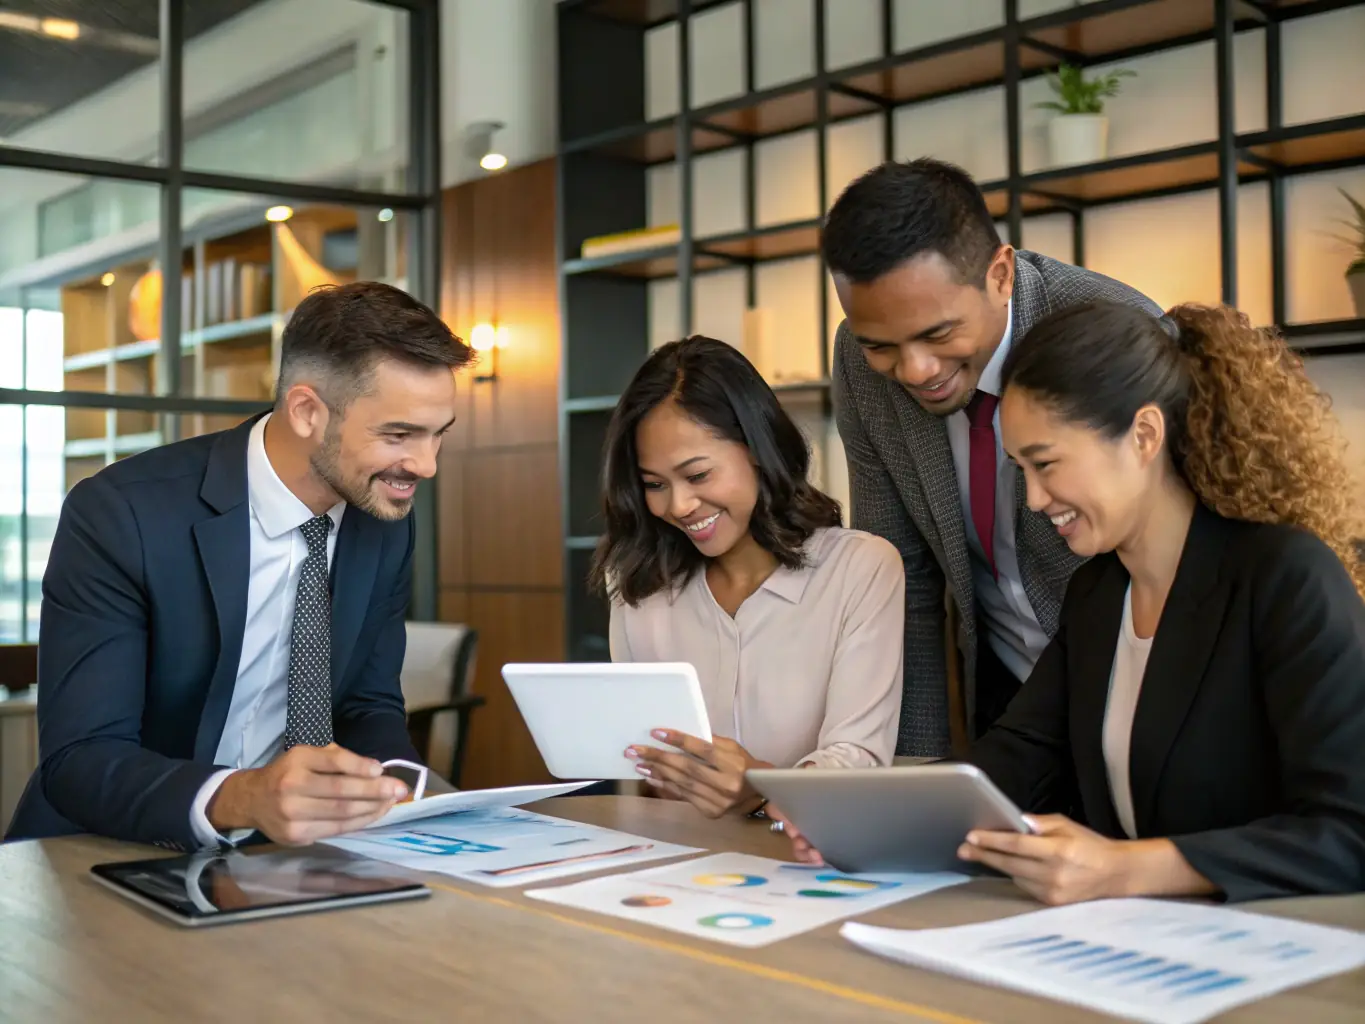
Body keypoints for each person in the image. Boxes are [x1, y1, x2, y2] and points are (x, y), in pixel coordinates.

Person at [782, 300, 1365, 904]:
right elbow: (1020, 756)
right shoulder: (1099, 592)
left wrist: (1125, 869)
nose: (1033, 499)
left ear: (1143, 436)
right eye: (1019, 469)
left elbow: (1350, 832)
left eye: (1047, 464)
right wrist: (867, 818)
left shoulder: (1283, 576)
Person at [5, 281, 473, 851]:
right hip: (101, 853)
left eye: (437, 436)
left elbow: (367, 705)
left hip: (289, 858)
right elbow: (80, 759)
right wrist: (244, 798)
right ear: (307, 412)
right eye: (398, 435)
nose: (424, 465)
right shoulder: (122, 514)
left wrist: (397, 793)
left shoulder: (381, 518)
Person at [824, 157, 1163, 759]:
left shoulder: (1115, 331)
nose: (914, 370)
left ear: (1000, 274)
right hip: (1010, 706)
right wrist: (912, 772)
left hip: (1148, 695)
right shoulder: (857, 359)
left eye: (937, 334)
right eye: (882, 344)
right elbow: (902, 575)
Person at [592, 336, 905, 819]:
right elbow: (641, 768)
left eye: (697, 476)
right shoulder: (638, 583)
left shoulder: (860, 569)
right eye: (654, 484)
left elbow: (858, 760)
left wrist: (761, 787)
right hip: (673, 860)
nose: (677, 506)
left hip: (803, 859)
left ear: (757, 450)